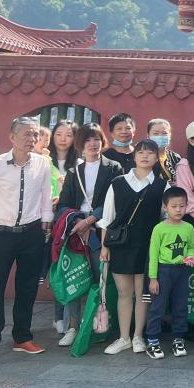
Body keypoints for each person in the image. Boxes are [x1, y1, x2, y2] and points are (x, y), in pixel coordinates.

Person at [0, 117, 54, 360]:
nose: (32, 139)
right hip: (2, 235)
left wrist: (46, 220)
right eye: (27, 134)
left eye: (35, 135)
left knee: (27, 287)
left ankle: (22, 337)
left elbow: (46, 194)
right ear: (12, 137)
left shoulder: (42, 163)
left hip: (32, 233)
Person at [55, 122, 122, 346]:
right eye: (87, 140)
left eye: (96, 139)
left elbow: (115, 200)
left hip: (101, 231)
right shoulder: (74, 171)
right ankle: (73, 327)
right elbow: (63, 204)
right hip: (76, 232)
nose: (92, 144)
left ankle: (100, 325)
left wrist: (91, 220)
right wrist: (77, 222)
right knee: (75, 278)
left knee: (101, 278)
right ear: (80, 144)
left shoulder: (113, 168)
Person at [98, 139, 167, 355]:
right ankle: (124, 337)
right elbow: (107, 218)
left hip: (148, 246)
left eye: (150, 152)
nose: (145, 156)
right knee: (124, 292)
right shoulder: (118, 183)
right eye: (141, 152)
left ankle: (138, 336)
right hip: (121, 245)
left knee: (142, 293)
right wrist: (104, 247)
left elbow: (166, 220)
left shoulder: (163, 185)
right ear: (134, 156)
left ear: (156, 157)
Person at [144, 187, 194, 359]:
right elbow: (153, 255)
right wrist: (153, 278)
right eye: (174, 206)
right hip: (163, 271)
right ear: (165, 207)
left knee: (180, 306)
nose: (178, 210)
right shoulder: (159, 229)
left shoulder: (189, 227)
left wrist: (191, 257)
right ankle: (152, 340)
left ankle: (178, 339)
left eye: (182, 206)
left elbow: (191, 247)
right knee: (157, 307)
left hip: (182, 271)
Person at [47, 120, 77, 204]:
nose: (63, 139)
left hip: (68, 208)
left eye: (68, 135)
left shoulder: (80, 164)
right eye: (58, 134)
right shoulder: (44, 160)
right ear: (52, 136)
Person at [146, 118, 182, 183]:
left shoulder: (176, 157)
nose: (160, 136)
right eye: (156, 133)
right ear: (148, 136)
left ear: (170, 135)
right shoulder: (142, 157)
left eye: (164, 133)